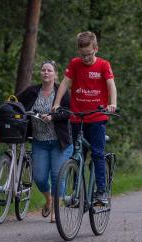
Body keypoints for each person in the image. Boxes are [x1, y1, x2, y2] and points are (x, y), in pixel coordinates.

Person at [52, 31, 117, 205]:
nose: (86, 58)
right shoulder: (75, 64)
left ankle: (101, 192)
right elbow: (65, 83)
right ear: (78, 52)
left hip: (97, 117)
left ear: (96, 48)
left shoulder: (103, 65)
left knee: (96, 153)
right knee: (76, 155)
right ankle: (76, 193)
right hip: (77, 117)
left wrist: (113, 103)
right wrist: (56, 103)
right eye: (83, 55)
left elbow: (111, 85)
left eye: (89, 54)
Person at [16, 60, 73, 222]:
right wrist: (0, 108)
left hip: (59, 142)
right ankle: (48, 199)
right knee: (40, 177)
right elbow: (15, 102)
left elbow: (69, 112)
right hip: (39, 142)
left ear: (55, 74)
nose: (46, 73)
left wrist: (53, 117)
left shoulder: (61, 92)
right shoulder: (32, 91)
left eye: (49, 70)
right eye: (43, 70)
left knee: (57, 176)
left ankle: (56, 211)